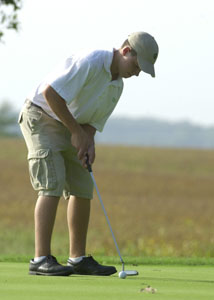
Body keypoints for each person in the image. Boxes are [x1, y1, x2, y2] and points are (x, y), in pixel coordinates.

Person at [18, 31, 159, 276]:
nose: (137, 73)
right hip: (41, 116)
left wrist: (87, 142)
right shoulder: (92, 61)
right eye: (137, 66)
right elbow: (51, 94)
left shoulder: (117, 86)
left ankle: (78, 259)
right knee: (52, 182)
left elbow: (91, 125)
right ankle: (40, 259)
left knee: (83, 187)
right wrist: (76, 132)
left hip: (70, 124)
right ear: (126, 52)